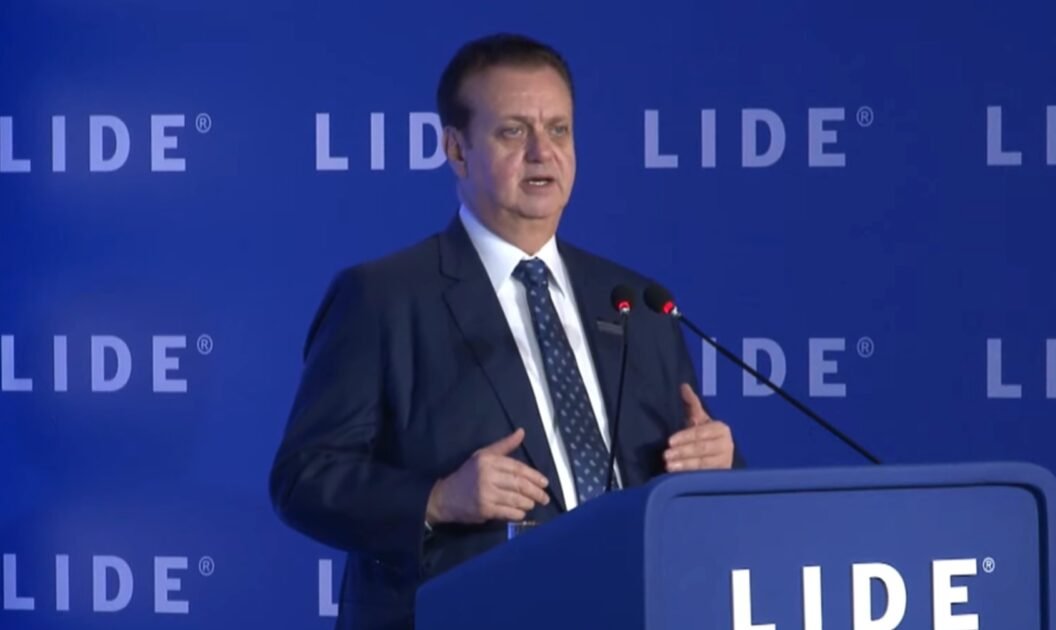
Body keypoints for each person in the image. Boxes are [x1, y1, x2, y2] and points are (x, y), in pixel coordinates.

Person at [269, 33, 740, 630]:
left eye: (559, 130)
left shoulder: (636, 301)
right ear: (457, 150)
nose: (543, 152)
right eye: (514, 132)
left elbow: (686, 475)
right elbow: (304, 478)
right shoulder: (383, 296)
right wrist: (438, 499)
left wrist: (718, 463)